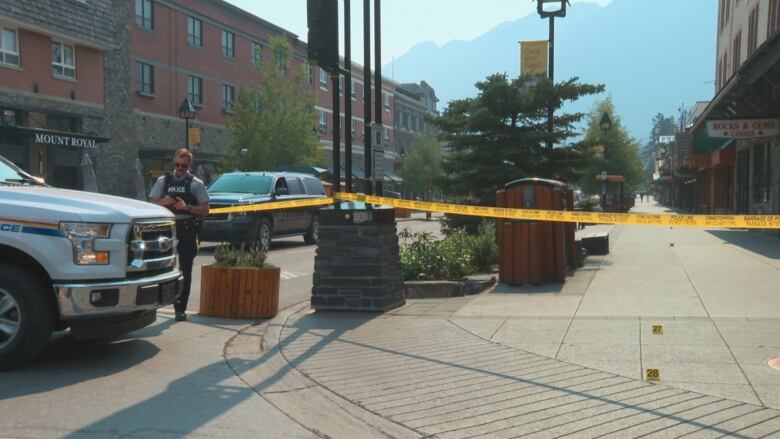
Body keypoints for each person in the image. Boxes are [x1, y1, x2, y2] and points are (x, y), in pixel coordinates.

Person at [149, 148, 210, 321]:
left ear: (189, 165)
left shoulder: (195, 183)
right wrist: (163, 202)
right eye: (177, 165)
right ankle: (154, 303)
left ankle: (180, 308)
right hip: (166, 228)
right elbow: (151, 202)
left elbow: (206, 209)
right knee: (158, 266)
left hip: (187, 228)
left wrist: (188, 207)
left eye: (183, 166)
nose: (179, 168)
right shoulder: (163, 180)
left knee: (185, 269)